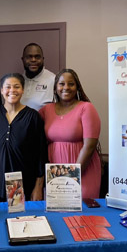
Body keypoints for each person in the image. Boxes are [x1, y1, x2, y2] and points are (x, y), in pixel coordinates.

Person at [0, 73, 47, 202]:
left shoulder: (33, 117)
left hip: (24, 186)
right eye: (8, 87)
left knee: (22, 221)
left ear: (22, 90)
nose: (12, 91)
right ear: (2, 91)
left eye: (16, 87)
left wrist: (38, 188)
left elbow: (40, 156)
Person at [39, 68, 101, 199]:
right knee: (56, 211)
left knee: (82, 211)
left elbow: (89, 146)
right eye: (61, 84)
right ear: (55, 88)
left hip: (82, 169)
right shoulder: (46, 110)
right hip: (54, 171)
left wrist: (73, 177)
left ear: (77, 87)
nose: (66, 87)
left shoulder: (86, 108)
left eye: (71, 84)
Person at [21, 43, 56, 110]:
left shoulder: (54, 80)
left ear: (43, 59)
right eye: (29, 57)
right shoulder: (17, 81)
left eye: (37, 57)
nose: (33, 60)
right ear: (23, 60)